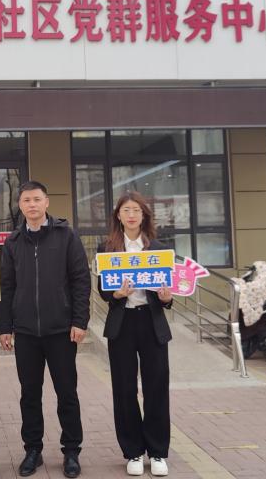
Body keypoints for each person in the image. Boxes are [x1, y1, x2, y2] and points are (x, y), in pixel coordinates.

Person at [0, 181, 91, 478]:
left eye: (37, 199)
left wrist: (80, 321)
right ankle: (33, 450)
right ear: (20, 206)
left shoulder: (66, 236)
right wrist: (5, 326)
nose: (32, 205)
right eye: (26, 200)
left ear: (47, 202)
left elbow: (81, 280)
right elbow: (7, 286)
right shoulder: (13, 242)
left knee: (67, 393)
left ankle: (71, 451)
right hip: (26, 332)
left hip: (61, 330)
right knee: (29, 394)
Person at [97, 192, 174, 477]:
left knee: (156, 388)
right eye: (126, 210)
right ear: (118, 215)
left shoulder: (159, 249)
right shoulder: (108, 249)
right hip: (123, 324)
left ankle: (157, 452)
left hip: (152, 324)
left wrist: (166, 298)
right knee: (124, 389)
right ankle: (133, 452)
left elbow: (167, 294)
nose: (131, 215)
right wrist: (116, 294)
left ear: (144, 216)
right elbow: (103, 290)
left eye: (136, 210)